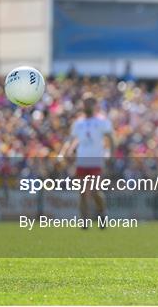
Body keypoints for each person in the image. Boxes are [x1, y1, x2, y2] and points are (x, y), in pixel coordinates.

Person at [59, 93, 115, 228]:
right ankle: (84, 221)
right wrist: (65, 152)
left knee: (95, 190)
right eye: (85, 102)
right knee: (83, 192)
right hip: (82, 161)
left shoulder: (102, 121)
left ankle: (102, 213)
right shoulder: (79, 123)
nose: (87, 105)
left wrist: (110, 153)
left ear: (95, 105)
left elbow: (110, 138)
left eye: (90, 102)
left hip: (96, 161)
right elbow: (72, 140)